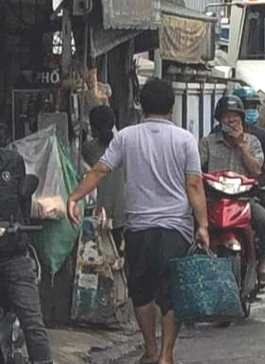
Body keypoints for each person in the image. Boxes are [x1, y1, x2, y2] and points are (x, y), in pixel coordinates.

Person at [67, 78, 208, 364]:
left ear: (142, 106)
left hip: (138, 229)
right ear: (171, 107)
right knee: (171, 293)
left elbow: (100, 170)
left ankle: (151, 350)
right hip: (176, 229)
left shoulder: (126, 137)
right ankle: (166, 355)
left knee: (141, 291)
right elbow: (194, 185)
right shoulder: (185, 139)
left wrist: (74, 197)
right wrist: (203, 225)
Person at [200, 96, 265, 286]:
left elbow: (257, 171)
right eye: (227, 116)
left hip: (244, 199)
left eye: (235, 116)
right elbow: (197, 168)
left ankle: (262, 266)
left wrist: (241, 146)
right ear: (219, 120)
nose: (231, 121)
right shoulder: (208, 143)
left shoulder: (253, 142)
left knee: (264, 220)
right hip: (214, 200)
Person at [0, 144, 53, 364]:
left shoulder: (12, 161)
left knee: (33, 322)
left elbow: (23, 206)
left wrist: (15, 228)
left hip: (14, 255)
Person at [232, 88, 265, 280]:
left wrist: (257, 182)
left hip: (253, 189)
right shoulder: (213, 139)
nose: (251, 110)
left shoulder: (259, 138)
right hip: (225, 190)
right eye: (247, 106)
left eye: (254, 106)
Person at [81, 105, 127, 248]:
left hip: (98, 215)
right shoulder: (124, 146)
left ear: (93, 128)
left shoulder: (88, 149)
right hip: (122, 214)